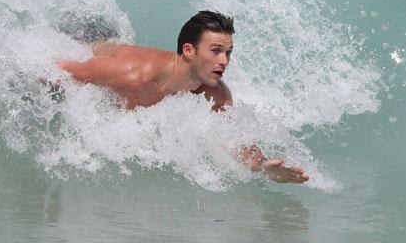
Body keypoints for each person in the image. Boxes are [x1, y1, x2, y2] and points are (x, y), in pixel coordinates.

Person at [57, 10, 309, 184]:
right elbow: (58, 70)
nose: (224, 61)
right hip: (82, 36)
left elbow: (233, 140)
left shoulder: (216, 94)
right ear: (189, 51)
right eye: (216, 51)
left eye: (228, 52)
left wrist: (263, 166)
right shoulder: (134, 77)